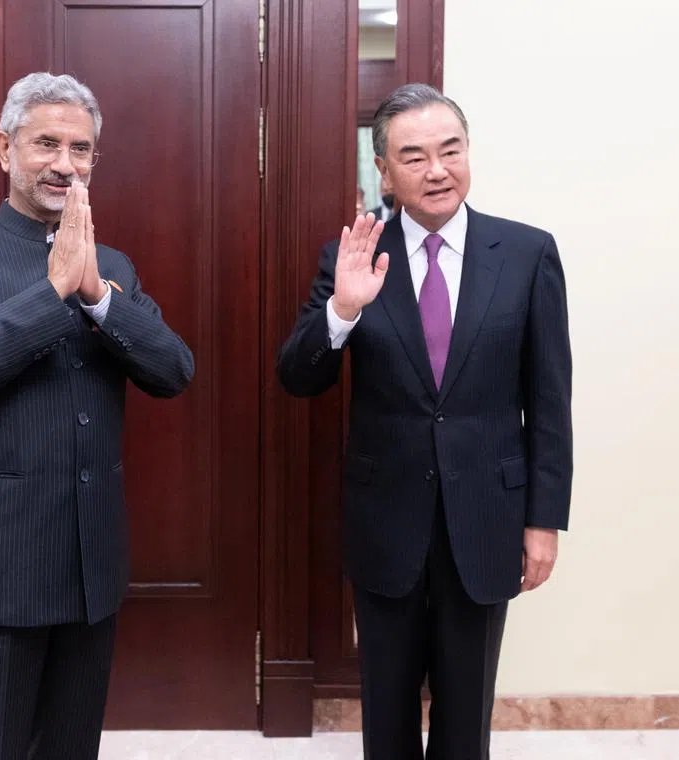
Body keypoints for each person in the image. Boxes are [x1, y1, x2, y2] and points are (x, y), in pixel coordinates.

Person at [277, 83, 572, 759]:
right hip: (387, 519)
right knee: (386, 712)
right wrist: (343, 312)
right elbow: (298, 377)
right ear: (382, 169)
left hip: (487, 518)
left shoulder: (526, 254)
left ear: (468, 153)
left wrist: (543, 519)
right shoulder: (352, 255)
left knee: (466, 719)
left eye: (450, 150)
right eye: (414, 157)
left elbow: (550, 399)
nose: (437, 170)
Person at [0, 71, 194, 759]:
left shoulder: (114, 264)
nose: (66, 163)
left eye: (82, 148)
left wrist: (97, 294)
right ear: (5, 150)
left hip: (88, 570)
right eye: (47, 144)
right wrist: (54, 289)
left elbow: (173, 371)